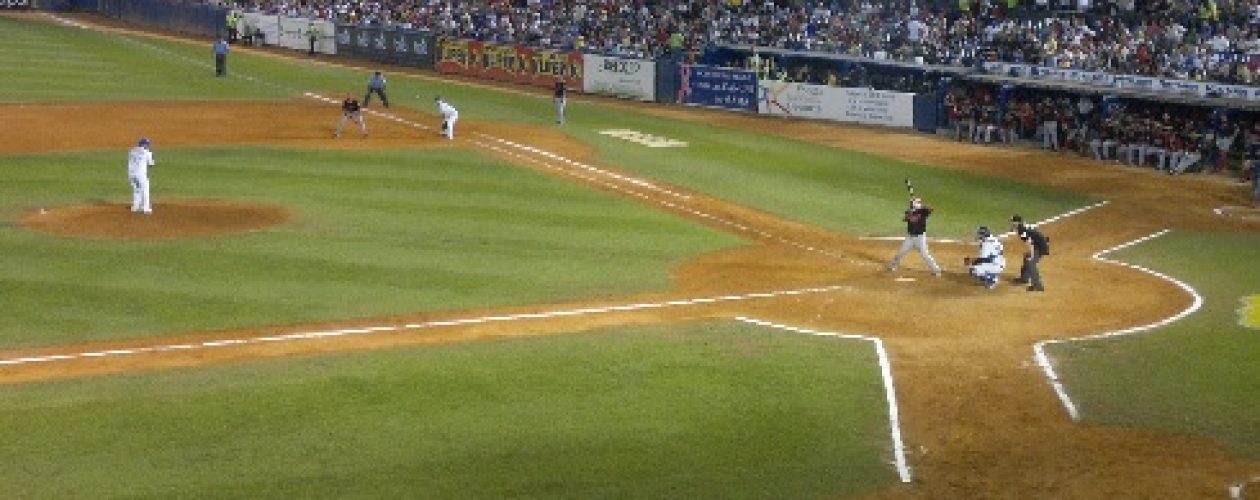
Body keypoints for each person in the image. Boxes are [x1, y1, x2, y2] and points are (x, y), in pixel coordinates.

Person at [888, 196, 942, 277]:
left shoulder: (923, 211)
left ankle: (936, 270)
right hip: (910, 238)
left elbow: (931, 209)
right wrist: (913, 211)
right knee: (901, 252)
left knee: (925, 254)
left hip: (920, 238)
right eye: (912, 203)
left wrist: (921, 207)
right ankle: (894, 265)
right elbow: (906, 219)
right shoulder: (909, 211)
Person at [1010, 215, 1049, 292]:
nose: (1012, 223)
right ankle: (1024, 278)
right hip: (1039, 244)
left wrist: (1032, 254)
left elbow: (1029, 243)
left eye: (1013, 222)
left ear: (1017, 223)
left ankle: (1038, 286)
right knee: (1026, 257)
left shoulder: (1022, 231)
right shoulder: (1023, 226)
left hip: (1040, 247)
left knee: (1031, 263)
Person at [128, 137, 155, 214]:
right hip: (140, 174)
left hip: (131, 173)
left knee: (136, 190)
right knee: (145, 190)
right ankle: (146, 208)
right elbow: (151, 164)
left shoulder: (132, 151)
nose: (148, 146)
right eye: (147, 144)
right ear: (145, 145)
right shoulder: (147, 153)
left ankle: (135, 207)